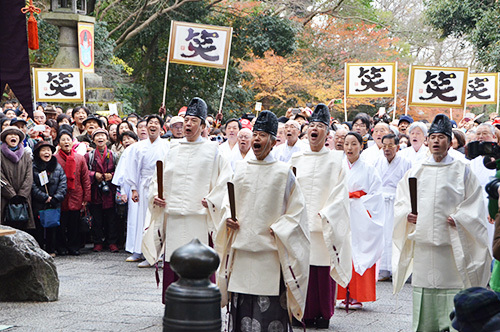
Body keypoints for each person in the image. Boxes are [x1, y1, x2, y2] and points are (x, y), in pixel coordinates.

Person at [393, 114, 491, 332]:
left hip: (451, 246)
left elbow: (474, 202)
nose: (436, 141)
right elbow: (402, 200)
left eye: (441, 137)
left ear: (450, 141)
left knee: (451, 292)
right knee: (424, 295)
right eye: (433, 137)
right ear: (427, 141)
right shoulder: (416, 170)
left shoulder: (462, 169)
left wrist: (460, 217)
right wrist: (408, 214)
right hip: (423, 245)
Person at [216, 110, 309, 332]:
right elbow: (228, 201)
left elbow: (297, 212)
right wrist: (228, 217)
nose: (256, 139)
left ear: (274, 141)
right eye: (255, 134)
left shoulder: (284, 173)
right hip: (242, 250)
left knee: (271, 317)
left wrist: (281, 228)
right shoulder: (239, 170)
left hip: (270, 253)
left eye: (262, 135)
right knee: (241, 315)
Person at [148, 97, 231, 301]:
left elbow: (226, 180)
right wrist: (156, 196)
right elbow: (157, 179)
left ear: (203, 125)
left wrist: (213, 199)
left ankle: (202, 300)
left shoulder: (213, 151)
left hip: (200, 216)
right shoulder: (173, 148)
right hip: (174, 214)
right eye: (186, 120)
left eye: (194, 120)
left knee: (200, 260)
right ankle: (174, 300)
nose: (188, 124)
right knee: (174, 258)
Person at [290, 104, 351, 329]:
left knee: (322, 271)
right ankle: (301, 313)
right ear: (307, 131)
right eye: (312, 126)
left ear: (327, 132)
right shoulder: (296, 158)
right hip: (300, 223)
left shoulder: (336, 160)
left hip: (324, 224)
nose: (315, 129)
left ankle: (323, 313)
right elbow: (288, 189)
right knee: (301, 268)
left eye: (320, 126)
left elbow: (340, 192)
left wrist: (328, 213)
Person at [337, 132, 384, 309]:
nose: (349, 147)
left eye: (354, 144)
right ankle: (341, 294)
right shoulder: (339, 167)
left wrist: (357, 199)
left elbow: (376, 195)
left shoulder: (369, 169)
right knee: (342, 253)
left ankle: (357, 295)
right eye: (346, 144)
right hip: (342, 214)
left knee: (360, 252)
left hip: (361, 217)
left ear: (361, 146)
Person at [126, 115, 170, 265]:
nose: (153, 125)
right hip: (143, 185)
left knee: (159, 220)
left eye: (156, 123)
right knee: (143, 219)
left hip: (161, 187)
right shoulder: (138, 147)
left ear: (161, 128)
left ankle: (161, 254)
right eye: (150, 123)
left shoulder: (167, 146)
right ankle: (144, 252)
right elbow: (132, 168)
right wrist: (133, 188)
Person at [373, 134, 411, 281]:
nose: (387, 149)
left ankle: (397, 269)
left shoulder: (406, 162)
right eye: (384, 146)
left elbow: (408, 185)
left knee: (396, 234)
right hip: (382, 203)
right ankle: (383, 268)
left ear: (397, 147)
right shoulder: (377, 162)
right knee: (382, 235)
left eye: (390, 146)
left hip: (397, 202)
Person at [55, 127, 91, 256]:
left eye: (68, 139)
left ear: (72, 141)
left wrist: (86, 197)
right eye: (63, 140)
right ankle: (61, 246)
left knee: (74, 223)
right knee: (61, 223)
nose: (66, 142)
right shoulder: (55, 158)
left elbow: (85, 178)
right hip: (60, 195)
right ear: (58, 142)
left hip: (76, 194)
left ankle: (74, 246)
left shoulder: (79, 158)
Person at [85, 128, 119, 253]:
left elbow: (120, 171)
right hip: (95, 191)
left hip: (109, 190)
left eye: (102, 136)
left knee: (111, 219)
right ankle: (97, 242)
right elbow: (84, 172)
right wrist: (94, 175)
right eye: (97, 136)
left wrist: (112, 175)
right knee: (96, 219)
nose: (100, 138)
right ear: (93, 140)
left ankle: (112, 242)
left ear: (107, 139)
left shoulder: (113, 155)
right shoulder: (89, 156)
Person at [31, 141, 67, 257]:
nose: (47, 152)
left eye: (48, 150)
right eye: (43, 150)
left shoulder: (57, 166)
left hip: (54, 202)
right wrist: (44, 197)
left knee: (53, 225)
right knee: (39, 226)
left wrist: (56, 198)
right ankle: (40, 249)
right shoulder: (34, 167)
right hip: (39, 202)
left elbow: (63, 183)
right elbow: (31, 185)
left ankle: (51, 249)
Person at [111, 130, 140, 261]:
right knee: (134, 219)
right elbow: (122, 173)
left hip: (148, 186)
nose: (127, 141)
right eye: (125, 139)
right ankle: (136, 249)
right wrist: (123, 191)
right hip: (132, 188)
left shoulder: (143, 149)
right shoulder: (127, 152)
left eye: (130, 138)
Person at [1, 126, 34, 231]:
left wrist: (22, 195)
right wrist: (11, 195)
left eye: (16, 135)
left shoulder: (26, 155)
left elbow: (29, 176)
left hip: (24, 198)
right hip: (4, 198)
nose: (13, 137)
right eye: (10, 135)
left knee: (24, 227)